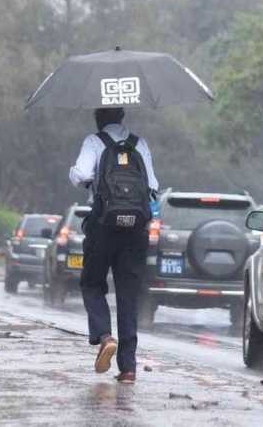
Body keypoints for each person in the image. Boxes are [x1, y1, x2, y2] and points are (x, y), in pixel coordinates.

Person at [69, 107, 158, 383]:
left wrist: (75, 172)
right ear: (122, 117)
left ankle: (105, 336)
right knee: (128, 294)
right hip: (135, 231)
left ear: (98, 118)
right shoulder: (139, 143)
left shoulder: (94, 142)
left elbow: (80, 176)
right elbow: (153, 185)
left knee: (92, 283)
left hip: (103, 227)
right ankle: (129, 369)